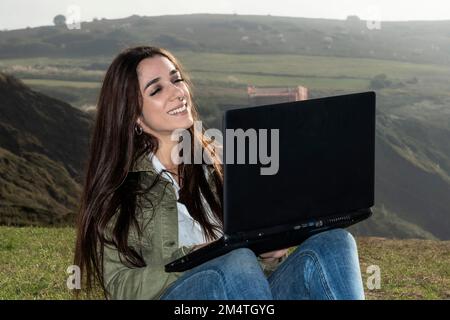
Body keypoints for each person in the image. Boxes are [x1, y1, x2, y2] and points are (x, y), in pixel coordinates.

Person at [74, 46, 365, 300]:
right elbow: (120, 286)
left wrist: (267, 253)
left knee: (334, 242)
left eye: (177, 79)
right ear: (134, 115)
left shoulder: (223, 162)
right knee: (235, 260)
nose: (177, 92)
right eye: (157, 89)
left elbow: (252, 269)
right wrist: (197, 257)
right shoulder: (120, 189)